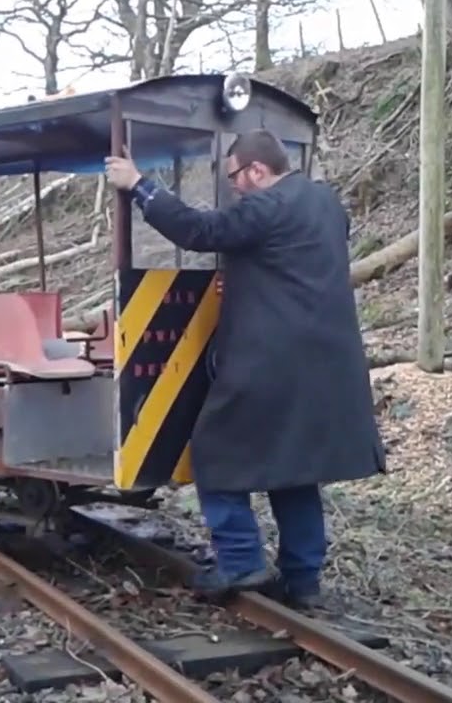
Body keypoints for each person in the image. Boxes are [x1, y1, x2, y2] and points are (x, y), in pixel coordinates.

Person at [104, 130, 385, 609]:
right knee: (295, 468)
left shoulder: (267, 206)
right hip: (328, 362)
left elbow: (200, 232)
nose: (233, 188)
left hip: (273, 361)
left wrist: (139, 185)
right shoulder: (325, 203)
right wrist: (241, 280)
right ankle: (303, 578)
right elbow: (289, 265)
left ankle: (240, 560)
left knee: (214, 453)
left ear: (257, 170)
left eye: (235, 177)